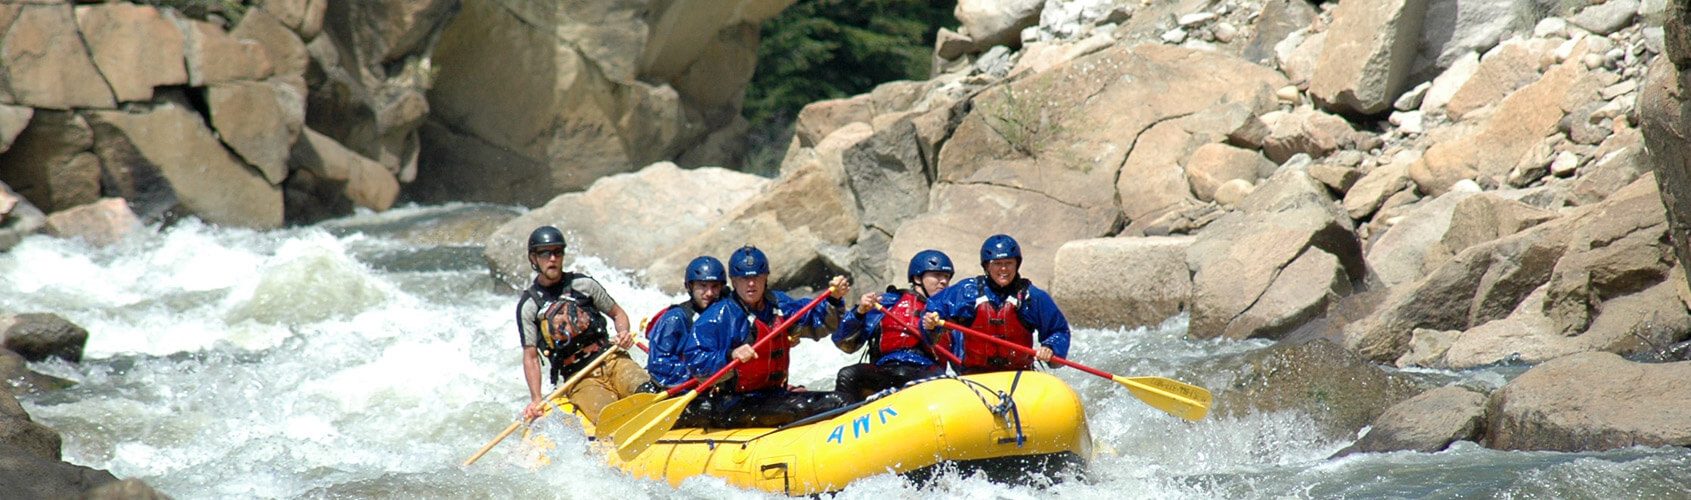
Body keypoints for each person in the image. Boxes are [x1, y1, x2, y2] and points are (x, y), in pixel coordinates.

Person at [679, 245, 852, 428]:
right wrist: (730, 355)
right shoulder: (718, 316)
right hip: (734, 403)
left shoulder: (778, 304)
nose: (751, 284)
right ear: (734, 282)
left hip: (774, 394)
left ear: (766, 278)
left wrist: (834, 299)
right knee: (799, 407)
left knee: (840, 400)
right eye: (744, 279)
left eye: (756, 277)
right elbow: (695, 361)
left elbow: (817, 321)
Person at [515, 226, 648, 424]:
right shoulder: (529, 305)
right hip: (579, 378)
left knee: (648, 391)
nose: (552, 258)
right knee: (611, 417)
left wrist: (624, 333)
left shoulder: (584, 285)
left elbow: (617, 313)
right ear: (533, 258)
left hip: (612, 358)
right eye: (545, 253)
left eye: (557, 252)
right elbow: (531, 356)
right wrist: (536, 399)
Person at [922, 234, 1071, 375]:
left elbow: (1058, 330)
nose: (1004, 269)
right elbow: (934, 308)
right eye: (998, 264)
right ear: (987, 266)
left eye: (1009, 263)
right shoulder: (967, 292)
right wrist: (930, 324)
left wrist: (1050, 347)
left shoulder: (1031, 296)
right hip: (976, 375)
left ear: (1017, 265)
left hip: (1020, 374)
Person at [831, 249, 956, 401]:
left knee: (902, 374)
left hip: (927, 370)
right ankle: (844, 417)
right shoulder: (887, 303)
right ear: (917, 278)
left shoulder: (952, 311)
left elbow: (962, 356)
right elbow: (844, 342)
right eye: (937, 275)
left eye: (946, 277)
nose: (943, 281)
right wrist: (860, 312)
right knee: (848, 374)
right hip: (886, 368)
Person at [641, 256, 727, 391]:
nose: (709, 293)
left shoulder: (726, 313)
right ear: (690, 286)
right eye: (703, 286)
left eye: (715, 286)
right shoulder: (674, 319)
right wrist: (697, 377)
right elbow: (659, 364)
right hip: (682, 385)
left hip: (713, 382)